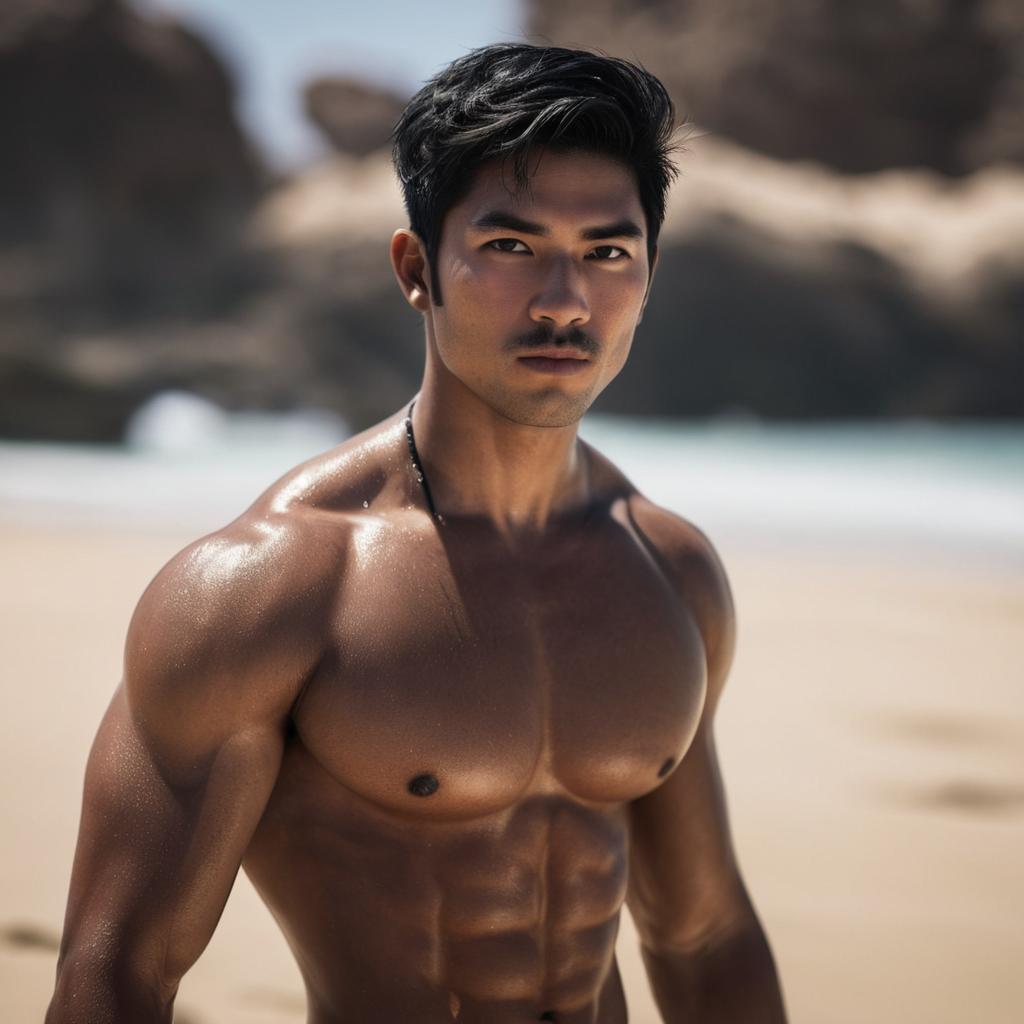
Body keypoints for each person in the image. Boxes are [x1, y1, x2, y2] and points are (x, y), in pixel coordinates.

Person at [46, 43, 787, 1024]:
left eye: (607, 252)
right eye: (512, 247)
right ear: (416, 268)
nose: (565, 299)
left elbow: (704, 936)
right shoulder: (271, 589)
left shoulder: (669, 569)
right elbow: (119, 976)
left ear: (646, 276)